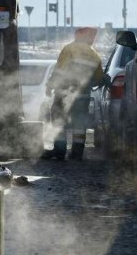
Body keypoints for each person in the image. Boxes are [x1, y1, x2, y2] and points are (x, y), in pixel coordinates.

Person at [41, 27, 104, 160]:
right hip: (84, 96)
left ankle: (59, 151)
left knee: (59, 120)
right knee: (80, 124)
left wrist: (50, 86)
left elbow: (60, 71)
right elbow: (98, 78)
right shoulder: (94, 54)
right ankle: (77, 153)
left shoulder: (69, 49)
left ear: (78, 35)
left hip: (64, 94)